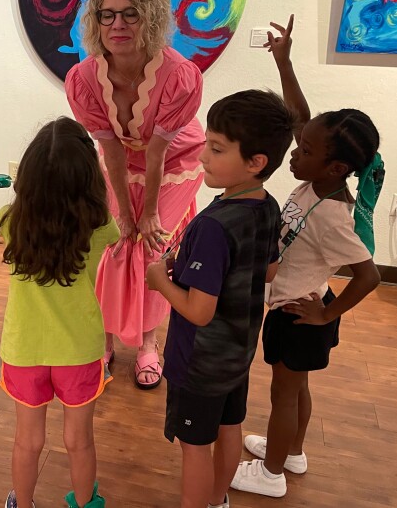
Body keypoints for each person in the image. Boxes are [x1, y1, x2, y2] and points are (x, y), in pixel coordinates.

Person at [230, 15, 383, 499]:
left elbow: (370, 275)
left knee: (284, 395)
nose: (294, 152)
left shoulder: (334, 214)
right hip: (297, 304)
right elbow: (300, 116)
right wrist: (284, 61)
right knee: (297, 390)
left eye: (304, 149)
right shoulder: (321, 179)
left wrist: (326, 314)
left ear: (335, 165)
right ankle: (292, 453)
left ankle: (271, 474)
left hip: (301, 311)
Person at [145, 90, 294, 508]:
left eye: (216, 148)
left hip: (199, 362)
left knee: (195, 447)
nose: (203, 156)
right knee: (230, 427)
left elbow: (198, 309)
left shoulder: (212, 226)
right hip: (237, 352)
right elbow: (268, 270)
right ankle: (217, 501)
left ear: (255, 162)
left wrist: (159, 280)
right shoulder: (266, 205)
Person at [65, 0, 205, 389]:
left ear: (150, 18)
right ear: (96, 20)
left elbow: (160, 151)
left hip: (174, 159)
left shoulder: (179, 75)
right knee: (112, 242)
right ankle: (103, 339)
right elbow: (109, 150)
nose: (118, 25)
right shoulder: (85, 78)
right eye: (107, 15)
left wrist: (144, 216)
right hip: (121, 159)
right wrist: (125, 214)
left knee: (150, 245)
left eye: (130, 14)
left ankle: (148, 341)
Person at [0, 117, 118, 508]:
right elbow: (108, 221)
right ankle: (85, 504)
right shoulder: (100, 227)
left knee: (26, 440)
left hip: (23, 349)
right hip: (79, 349)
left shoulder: (9, 222)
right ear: (88, 177)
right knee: (79, 441)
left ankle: (23, 502)